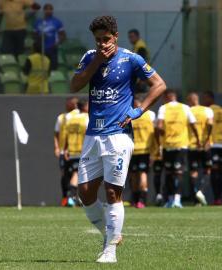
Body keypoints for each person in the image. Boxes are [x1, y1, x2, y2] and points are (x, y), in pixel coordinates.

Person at [70, 15, 166, 263]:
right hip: (93, 134)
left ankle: (110, 249)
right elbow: (74, 85)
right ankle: (110, 233)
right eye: (98, 40)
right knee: (85, 193)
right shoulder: (90, 57)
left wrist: (138, 110)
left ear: (115, 37)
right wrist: (96, 63)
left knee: (112, 192)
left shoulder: (131, 59)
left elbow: (159, 85)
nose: (102, 43)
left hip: (119, 136)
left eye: (106, 39)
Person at [156, 89, 199, 208]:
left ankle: (169, 200)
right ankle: (177, 199)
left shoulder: (163, 108)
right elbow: (193, 124)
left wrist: (164, 135)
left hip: (167, 145)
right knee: (179, 173)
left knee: (169, 172)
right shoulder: (185, 108)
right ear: (175, 97)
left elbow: (159, 127)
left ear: (166, 97)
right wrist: (198, 140)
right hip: (181, 145)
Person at [202, 91, 222, 205]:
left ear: (210, 98)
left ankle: (216, 198)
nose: (203, 101)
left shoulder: (208, 111)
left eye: (205, 98)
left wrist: (207, 140)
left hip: (213, 143)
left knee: (214, 170)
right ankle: (219, 198)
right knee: (220, 170)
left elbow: (208, 125)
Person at [186, 92, 213, 206]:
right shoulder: (207, 110)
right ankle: (201, 191)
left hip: (191, 145)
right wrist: (206, 139)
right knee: (207, 170)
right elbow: (210, 124)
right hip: (205, 145)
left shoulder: (187, 111)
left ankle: (196, 199)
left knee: (193, 172)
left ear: (190, 101)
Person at [128, 96, 155, 208]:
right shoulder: (150, 115)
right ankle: (142, 201)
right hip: (145, 149)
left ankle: (135, 200)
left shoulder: (128, 115)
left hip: (132, 149)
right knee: (143, 173)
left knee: (133, 175)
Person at [53, 97, 79, 206]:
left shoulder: (79, 117)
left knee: (76, 173)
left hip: (76, 150)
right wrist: (57, 147)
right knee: (65, 175)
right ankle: (66, 198)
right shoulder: (62, 117)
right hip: (64, 151)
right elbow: (56, 133)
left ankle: (72, 198)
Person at [64, 99, 89, 207]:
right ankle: (71, 197)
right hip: (83, 150)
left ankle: (78, 198)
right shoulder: (87, 118)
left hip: (72, 150)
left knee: (78, 174)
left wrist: (65, 149)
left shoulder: (70, 119)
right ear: (84, 107)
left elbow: (66, 135)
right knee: (78, 174)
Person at [33, 3, 66, 70]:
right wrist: (39, 38)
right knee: (41, 68)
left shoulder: (57, 22)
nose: (48, 11)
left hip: (52, 49)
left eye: (50, 9)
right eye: (46, 9)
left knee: (52, 68)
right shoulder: (38, 22)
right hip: (40, 49)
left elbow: (63, 35)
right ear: (44, 10)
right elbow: (34, 35)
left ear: (52, 10)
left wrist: (57, 43)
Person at [128, 29, 150, 93]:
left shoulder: (140, 46)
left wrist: (141, 79)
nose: (130, 39)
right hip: (140, 75)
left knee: (140, 96)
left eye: (132, 37)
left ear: (137, 36)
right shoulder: (137, 46)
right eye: (129, 37)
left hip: (141, 76)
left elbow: (142, 62)